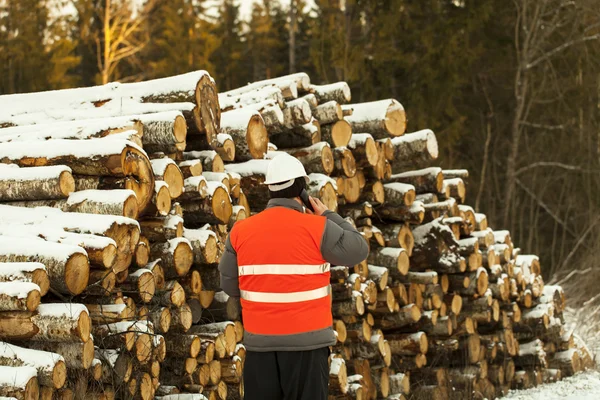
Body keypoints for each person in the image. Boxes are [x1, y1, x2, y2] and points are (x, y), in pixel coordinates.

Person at [218, 153, 369, 400]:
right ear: (302, 190)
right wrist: (328, 215)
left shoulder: (241, 231)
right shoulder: (318, 228)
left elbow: (229, 285)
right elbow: (358, 248)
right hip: (307, 349)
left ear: (270, 191)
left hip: (260, 349)